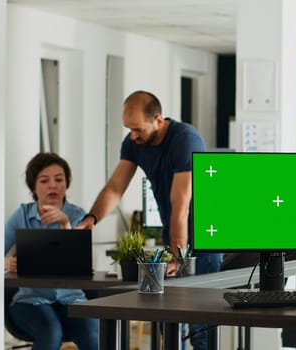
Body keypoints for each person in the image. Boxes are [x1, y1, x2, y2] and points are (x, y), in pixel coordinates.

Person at [76, 90, 223, 350]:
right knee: (165, 318)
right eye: (128, 129)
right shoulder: (134, 143)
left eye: (138, 129)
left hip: (203, 238)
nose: (133, 136)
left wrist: (178, 255)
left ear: (158, 119)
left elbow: (181, 205)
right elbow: (115, 188)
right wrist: (92, 218)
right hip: (174, 238)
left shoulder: (184, 140)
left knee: (199, 323)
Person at [4, 152, 98, 350]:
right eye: (44, 180)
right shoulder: (22, 214)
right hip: (30, 300)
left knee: (93, 335)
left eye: (59, 179)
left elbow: (77, 263)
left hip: (72, 299)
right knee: (50, 332)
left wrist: (64, 223)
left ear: (66, 184)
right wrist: (5, 262)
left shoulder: (78, 215)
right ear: (34, 187)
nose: (53, 185)